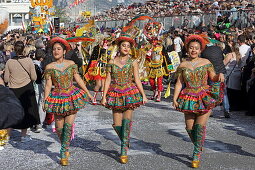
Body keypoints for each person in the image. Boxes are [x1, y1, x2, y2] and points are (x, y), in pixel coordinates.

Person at [173, 35, 224, 168]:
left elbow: (212, 77)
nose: (194, 50)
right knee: (190, 128)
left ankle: (196, 153)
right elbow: (179, 83)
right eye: (191, 48)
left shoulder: (206, 62)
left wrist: (219, 76)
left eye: (196, 48)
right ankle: (199, 145)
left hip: (204, 96)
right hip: (188, 97)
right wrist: (174, 97)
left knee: (199, 127)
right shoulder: (183, 65)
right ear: (187, 49)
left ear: (200, 50)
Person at [43, 37, 93, 166]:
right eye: (54, 49)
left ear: (64, 51)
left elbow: (79, 79)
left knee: (68, 126)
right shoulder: (49, 67)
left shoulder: (71, 64)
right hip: (57, 98)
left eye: (59, 49)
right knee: (59, 128)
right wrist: (45, 100)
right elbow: (48, 85)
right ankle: (65, 145)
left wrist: (88, 93)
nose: (56, 51)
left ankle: (64, 151)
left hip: (71, 96)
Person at [101, 34, 148, 164]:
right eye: (123, 45)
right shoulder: (111, 62)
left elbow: (137, 79)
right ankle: (125, 140)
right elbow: (108, 79)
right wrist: (104, 96)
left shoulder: (133, 62)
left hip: (129, 93)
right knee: (117, 125)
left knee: (126, 122)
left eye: (128, 46)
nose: (126, 48)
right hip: (115, 93)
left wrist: (143, 95)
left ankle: (123, 149)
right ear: (119, 47)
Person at [4, 41, 40, 143]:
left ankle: (7, 135)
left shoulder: (9, 62)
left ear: (14, 50)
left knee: (12, 113)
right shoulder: (29, 61)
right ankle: (23, 136)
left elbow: (6, 79)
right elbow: (34, 77)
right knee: (26, 112)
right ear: (24, 49)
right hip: (26, 89)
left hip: (13, 90)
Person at [0, 71, 24, 150]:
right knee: (8, 117)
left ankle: (3, 139)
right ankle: (5, 138)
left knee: (5, 116)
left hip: (6, 101)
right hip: (9, 99)